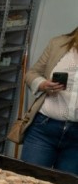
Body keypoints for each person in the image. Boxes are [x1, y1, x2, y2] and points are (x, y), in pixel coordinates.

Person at [20, 27, 78, 175]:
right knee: (29, 181)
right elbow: (32, 74)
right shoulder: (58, 44)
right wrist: (43, 84)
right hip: (43, 129)